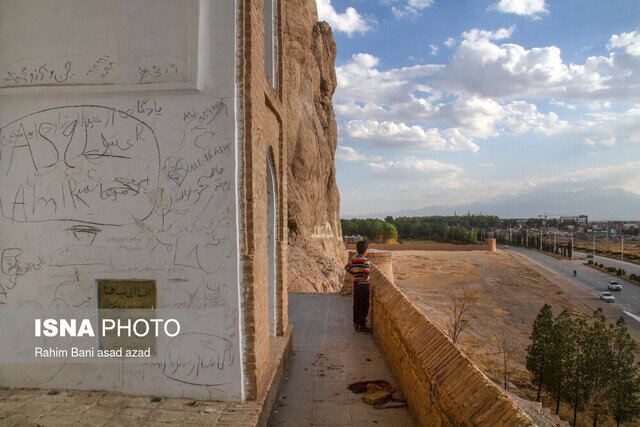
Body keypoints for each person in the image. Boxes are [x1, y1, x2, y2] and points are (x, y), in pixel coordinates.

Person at [345, 240, 372, 332]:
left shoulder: (354, 260)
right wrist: (364, 278)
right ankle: (362, 326)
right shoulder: (366, 261)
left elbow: (347, 267)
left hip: (356, 285)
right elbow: (367, 272)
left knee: (356, 304)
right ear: (365, 251)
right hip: (364, 286)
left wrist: (354, 274)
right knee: (364, 305)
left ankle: (356, 323)